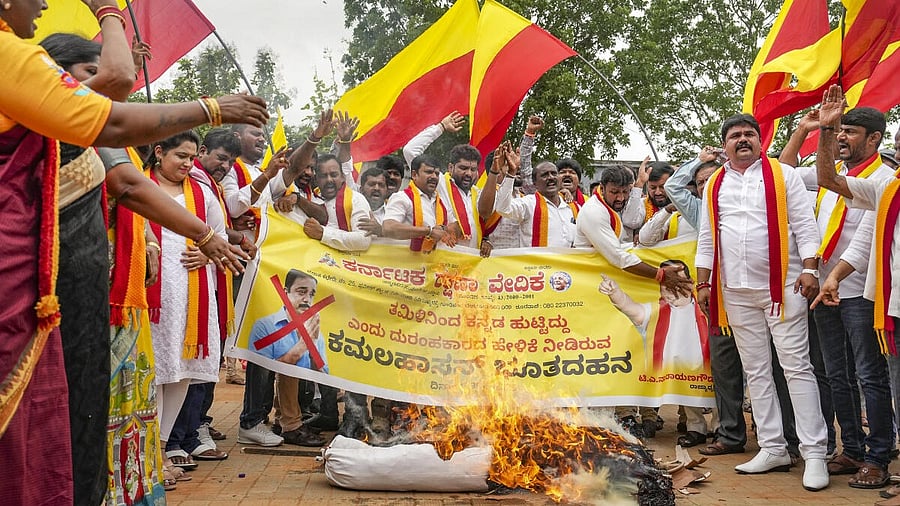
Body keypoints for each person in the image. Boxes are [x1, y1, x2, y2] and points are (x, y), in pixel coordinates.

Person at [0, 3, 266, 501]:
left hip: (77, 297)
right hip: (59, 296)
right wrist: (108, 12)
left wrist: (208, 238)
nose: (41, 4)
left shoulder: (55, 123)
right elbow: (122, 118)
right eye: (84, 74)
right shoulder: (43, 100)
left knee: (66, 420)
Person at [695, 113, 828, 491]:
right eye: (735, 136)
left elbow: (805, 225)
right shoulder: (714, 185)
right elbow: (708, 237)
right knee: (756, 371)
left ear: (760, 140)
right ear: (724, 146)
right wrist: (703, 283)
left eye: (749, 134)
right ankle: (772, 447)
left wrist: (810, 270)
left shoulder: (782, 175)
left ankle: (814, 451)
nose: (742, 140)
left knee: (796, 367)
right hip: (734, 289)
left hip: (783, 286)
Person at [808, 86, 898, 489]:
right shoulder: (850, 179)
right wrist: (825, 130)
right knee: (834, 373)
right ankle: (853, 450)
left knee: (870, 375)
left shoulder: (885, 180)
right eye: (840, 131)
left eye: (850, 131)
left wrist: (836, 276)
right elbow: (824, 177)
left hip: (864, 293)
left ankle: (879, 457)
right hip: (830, 290)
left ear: (875, 139)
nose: (843, 137)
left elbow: (863, 241)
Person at [144, 131, 230, 476]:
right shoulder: (139, 185)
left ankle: (162, 449)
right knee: (151, 372)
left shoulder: (202, 193)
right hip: (149, 295)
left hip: (190, 295)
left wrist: (206, 256)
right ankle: (145, 453)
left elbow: (219, 236)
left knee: (179, 370)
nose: (187, 164)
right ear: (159, 151)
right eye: (181, 155)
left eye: (192, 158)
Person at [247, 269, 328, 447]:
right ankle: (290, 425)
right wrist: (301, 347)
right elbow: (271, 365)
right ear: (285, 292)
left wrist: (311, 343)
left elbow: (322, 372)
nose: (307, 299)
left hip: (298, 382)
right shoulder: (265, 324)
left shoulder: (312, 326)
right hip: (263, 380)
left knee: (296, 361)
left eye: (311, 294)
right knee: (289, 361)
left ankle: (283, 420)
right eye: (301, 291)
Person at [480, 149, 575, 248]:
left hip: (560, 262)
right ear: (535, 183)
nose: (550, 177)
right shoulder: (529, 203)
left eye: (554, 173)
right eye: (544, 175)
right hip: (502, 259)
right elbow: (502, 208)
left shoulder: (570, 206)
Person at [382, 154, 458, 252]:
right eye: (429, 172)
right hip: (405, 263)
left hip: (433, 264)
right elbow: (388, 228)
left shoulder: (441, 202)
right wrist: (428, 231)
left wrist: (445, 228)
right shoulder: (402, 198)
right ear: (414, 175)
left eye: (437, 173)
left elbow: (456, 226)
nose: (434, 177)